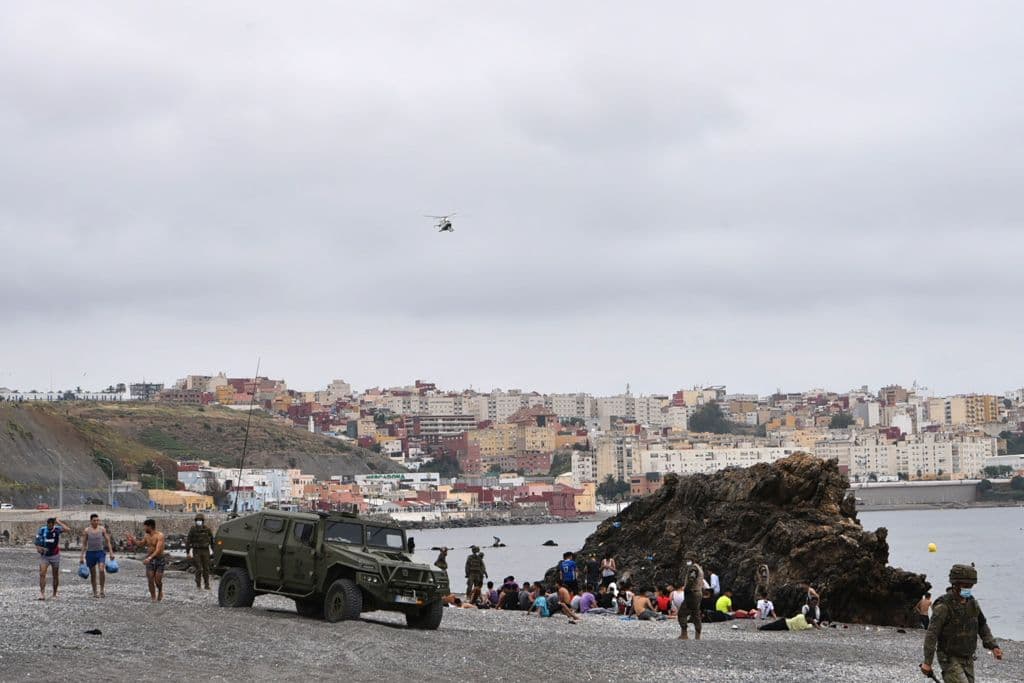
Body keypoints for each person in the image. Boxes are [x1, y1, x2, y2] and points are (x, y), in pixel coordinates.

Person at [922, 564, 1003, 682]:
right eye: (965, 586)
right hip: (948, 657)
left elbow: (982, 625)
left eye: (971, 586)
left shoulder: (972, 603)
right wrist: (927, 662)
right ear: (955, 584)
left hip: (968, 657)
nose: (968, 589)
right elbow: (931, 634)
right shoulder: (943, 607)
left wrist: (993, 646)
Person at [79, 513, 114, 598]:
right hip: (90, 553)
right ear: (91, 521)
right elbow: (84, 544)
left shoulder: (102, 529)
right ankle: (95, 591)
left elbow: (108, 541)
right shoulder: (87, 530)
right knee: (93, 573)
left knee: (101, 570)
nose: (96, 522)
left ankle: (102, 590)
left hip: (100, 552)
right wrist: (81, 556)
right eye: (94, 520)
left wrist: (111, 552)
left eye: (97, 520)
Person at [35, 517, 69, 600]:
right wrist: (39, 549)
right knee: (42, 573)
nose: (50, 525)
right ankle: (42, 593)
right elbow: (37, 542)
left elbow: (67, 529)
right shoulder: (42, 530)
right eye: (48, 523)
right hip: (45, 556)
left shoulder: (57, 529)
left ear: (53, 524)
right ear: (47, 523)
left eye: (51, 524)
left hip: (55, 555)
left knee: (55, 574)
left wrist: (58, 521)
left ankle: (54, 593)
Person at [677, 557, 704, 640]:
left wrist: (687, 589)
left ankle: (684, 634)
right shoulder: (700, 568)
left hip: (692, 593)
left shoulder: (693, 568)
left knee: (682, 613)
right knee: (696, 614)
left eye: (688, 559)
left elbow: (691, 578)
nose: (686, 561)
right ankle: (697, 636)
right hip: (698, 593)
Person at [141, 518, 167, 602]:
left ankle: (160, 591)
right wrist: (132, 540)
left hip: (159, 559)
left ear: (150, 526)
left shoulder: (160, 535)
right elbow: (141, 544)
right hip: (150, 560)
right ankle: (153, 597)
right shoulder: (146, 536)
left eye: (145, 527)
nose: (144, 528)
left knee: (158, 580)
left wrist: (149, 558)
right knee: (150, 579)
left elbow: (158, 550)